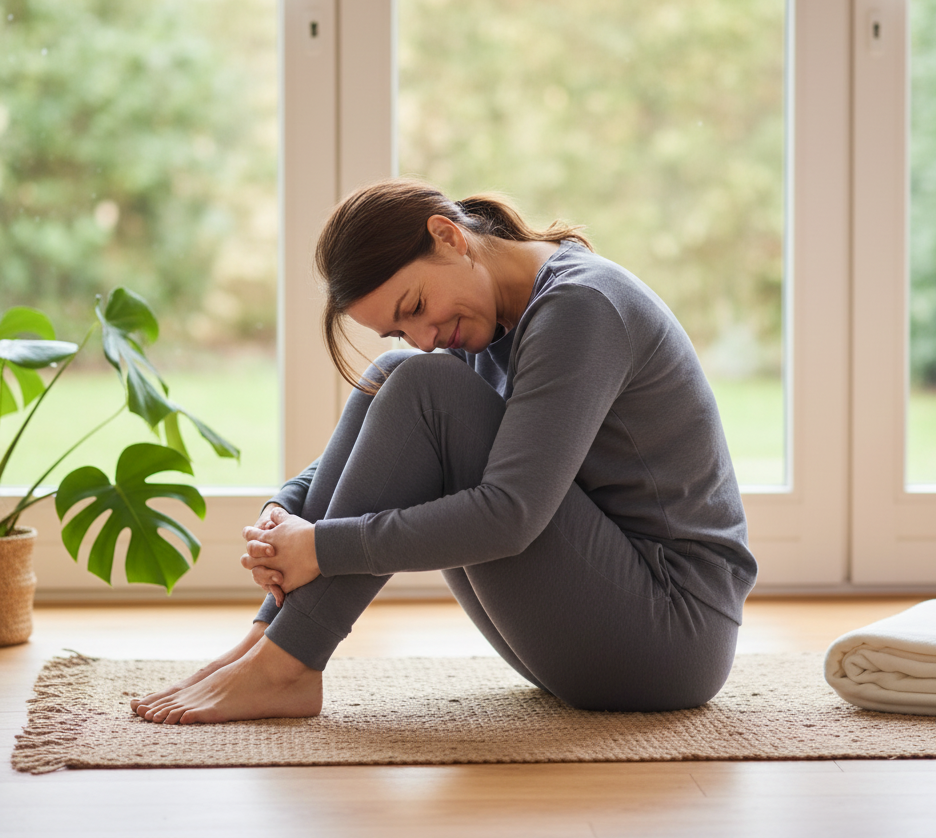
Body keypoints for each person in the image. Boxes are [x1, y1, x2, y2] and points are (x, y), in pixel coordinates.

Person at [130, 178, 757, 725]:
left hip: (673, 635)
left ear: (448, 236)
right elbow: (383, 444)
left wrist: (319, 547)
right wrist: (284, 514)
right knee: (392, 375)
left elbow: (511, 514)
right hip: (598, 627)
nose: (425, 337)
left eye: (415, 307)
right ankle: (269, 640)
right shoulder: (490, 317)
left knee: (422, 385)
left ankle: (287, 665)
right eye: (401, 328)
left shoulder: (580, 306)